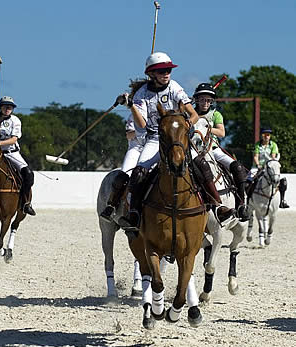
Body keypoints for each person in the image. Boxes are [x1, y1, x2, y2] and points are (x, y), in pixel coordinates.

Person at [115, 52, 234, 230]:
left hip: (180, 137)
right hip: (156, 139)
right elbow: (142, 125)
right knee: (139, 172)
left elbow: (193, 115)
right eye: (162, 71)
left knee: (201, 163)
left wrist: (185, 126)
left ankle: (218, 206)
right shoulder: (142, 94)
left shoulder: (174, 87)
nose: (167, 74)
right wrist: (131, 105)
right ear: (151, 74)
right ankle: (134, 214)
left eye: (168, 70)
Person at [193, 83, 249, 221]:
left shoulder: (216, 114)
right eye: (202, 99)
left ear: (211, 101)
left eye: (208, 100)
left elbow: (222, 132)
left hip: (213, 149)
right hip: (193, 150)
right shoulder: (190, 114)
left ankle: (241, 204)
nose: (205, 103)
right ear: (196, 100)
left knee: (238, 167)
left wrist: (205, 128)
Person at [100, 107, 147, 222]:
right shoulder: (135, 114)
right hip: (136, 149)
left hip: (154, 148)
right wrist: (144, 130)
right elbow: (129, 135)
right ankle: (112, 206)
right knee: (123, 175)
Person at [247, 127, 289, 208]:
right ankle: (247, 201)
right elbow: (255, 156)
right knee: (248, 180)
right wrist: (258, 165)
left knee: (283, 181)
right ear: (261, 136)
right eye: (264, 134)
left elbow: (273, 157)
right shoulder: (257, 145)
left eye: (268, 134)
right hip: (257, 167)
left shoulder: (273, 145)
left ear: (270, 136)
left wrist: (268, 166)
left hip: (269, 167)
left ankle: (282, 201)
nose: (266, 136)